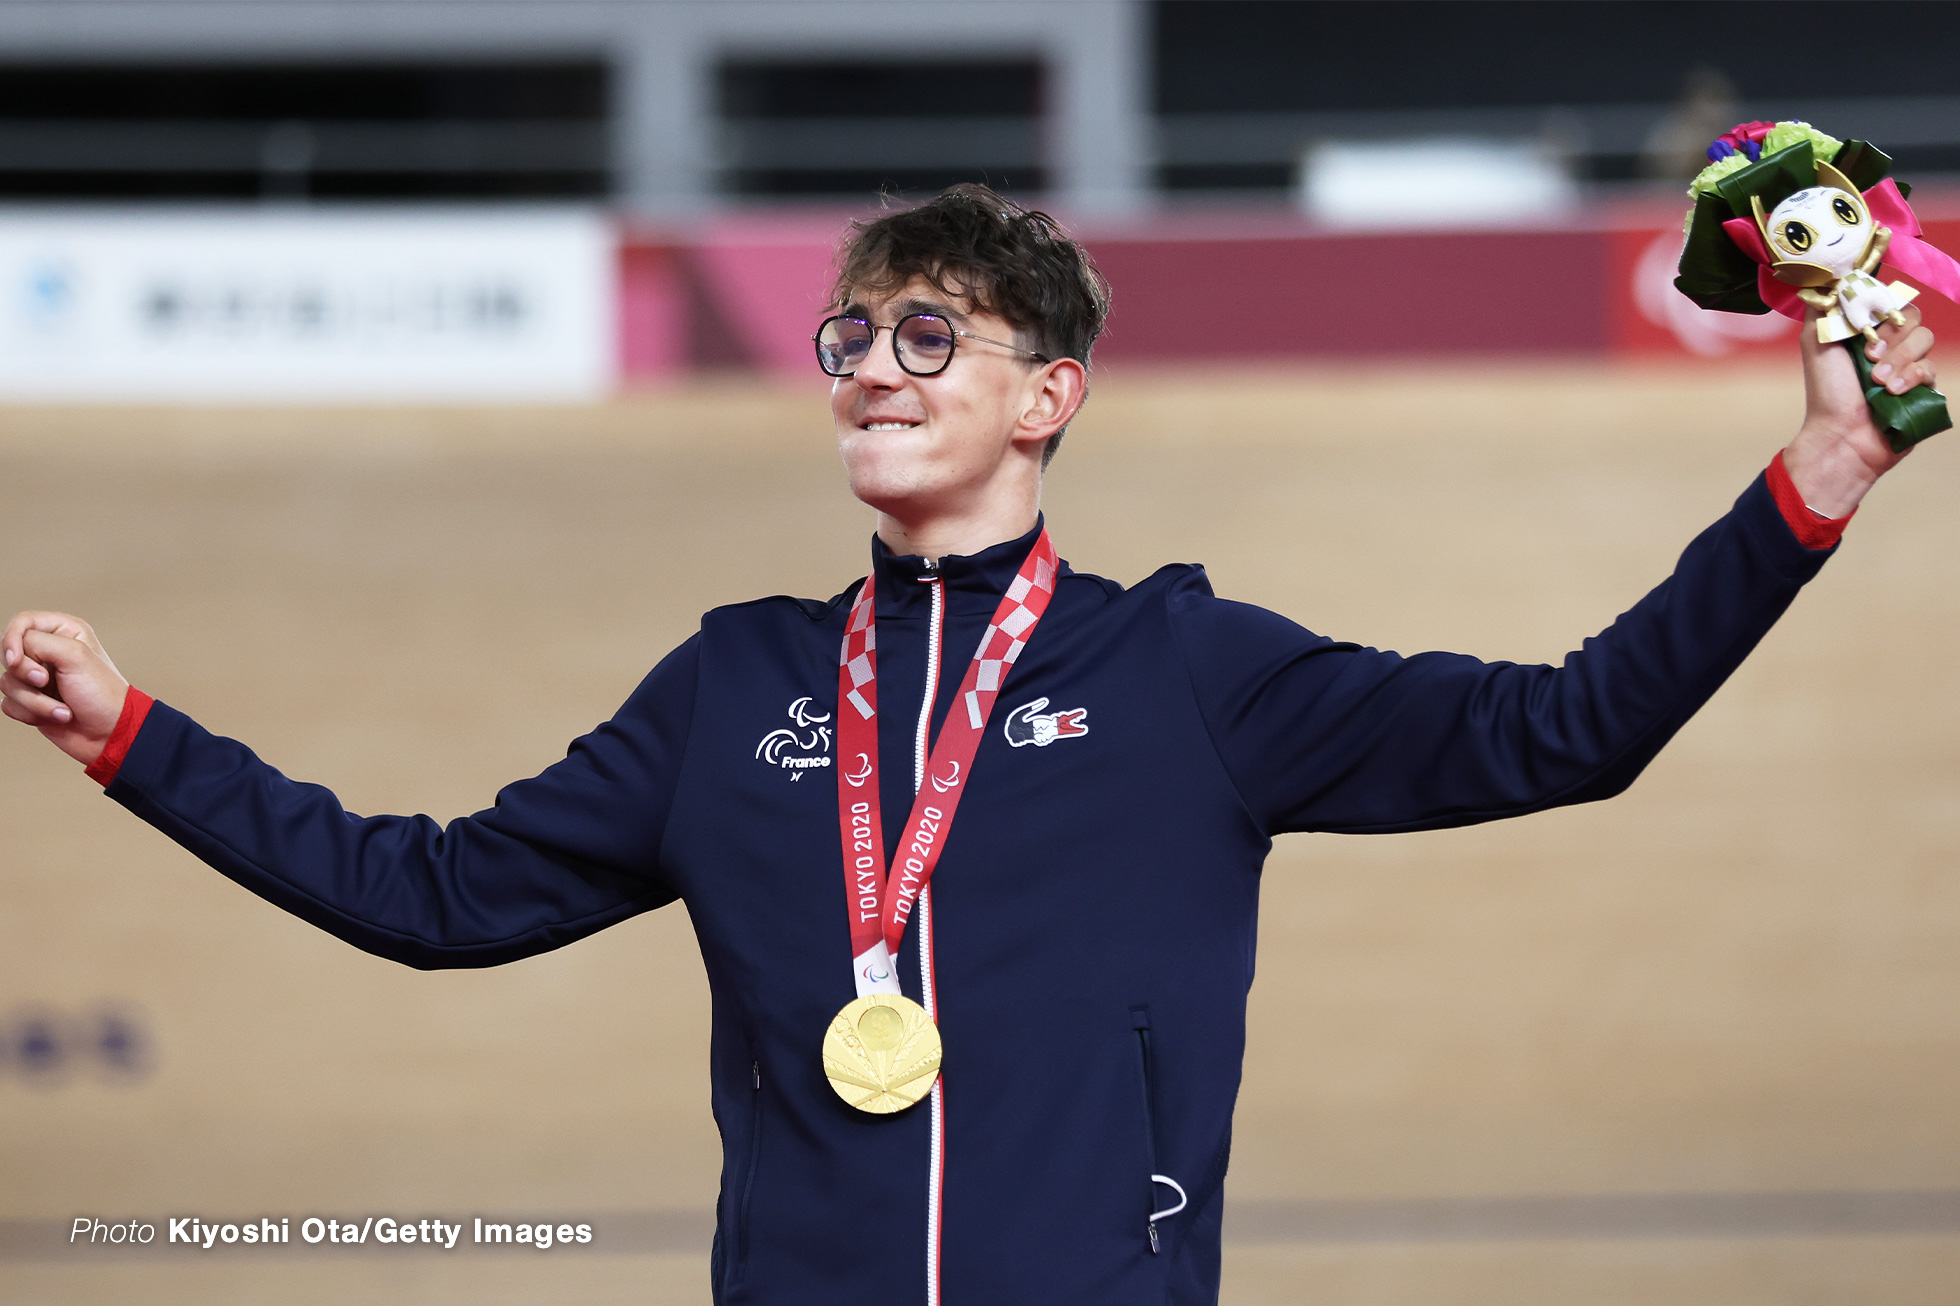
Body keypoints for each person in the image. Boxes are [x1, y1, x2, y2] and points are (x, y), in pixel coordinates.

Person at [0, 183, 1938, 1305]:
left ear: (1048, 394)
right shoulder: (732, 681)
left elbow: (1565, 727)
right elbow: (426, 895)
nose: (869, 366)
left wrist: (1816, 471)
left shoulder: (1189, 670)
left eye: (928, 337)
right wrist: (139, 737)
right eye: (851, 335)